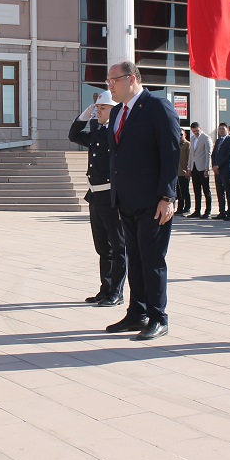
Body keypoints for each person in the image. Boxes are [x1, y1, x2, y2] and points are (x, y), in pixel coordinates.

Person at [104, 61, 181, 340]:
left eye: (114, 79)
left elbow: (171, 153)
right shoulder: (116, 113)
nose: (109, 85)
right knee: (134, 258)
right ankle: (137, 312)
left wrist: (167, 196)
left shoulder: (157, 107)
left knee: (152, 259)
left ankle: (159, 316)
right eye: (108, 80)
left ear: (133, 78)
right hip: (125, 200)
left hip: (153, 201)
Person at [69, 92, 126, 307]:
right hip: (96, 195)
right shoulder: (97, 131)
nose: (98, 111)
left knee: (118, 247)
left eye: (103, 108)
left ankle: (117, 292)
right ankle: (106, 288)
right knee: (103, 247)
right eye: (97, 107)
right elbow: (73, 135)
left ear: (114, 110)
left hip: (111, 196)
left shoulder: (116, 132)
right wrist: (87, 112)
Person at [211, 123, 230, 221]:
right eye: (220, 129)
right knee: (219, 192)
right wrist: (214, 165)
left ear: (228, 130)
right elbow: (213, 155)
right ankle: (222, 211)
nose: (221, 130)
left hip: (226, 170)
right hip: (217, 171)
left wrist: (219, 165)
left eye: (223, 129)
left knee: (229, 192)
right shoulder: (218, 141)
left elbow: (229, 156)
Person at [187, 122, 213, 218]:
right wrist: (189, 167)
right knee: (196, 190)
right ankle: (197, 210)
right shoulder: (192, 138)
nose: (196, 133)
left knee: (206, 190)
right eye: (194, 131)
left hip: (203, 168)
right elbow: (191, 155)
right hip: (194, 168)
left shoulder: (206, 138)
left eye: (197, 130)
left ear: (200, 128)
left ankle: (208, 211)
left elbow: (208, 154)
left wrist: (207, 168)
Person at [176, 129, 191, 215]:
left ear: (185, 134)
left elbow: (189, 158)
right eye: (178, 134)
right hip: (176, 172)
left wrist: (188, 170)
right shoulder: (176, 144)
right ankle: (180, 208)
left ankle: (187, 208)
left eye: (181, 134)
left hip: (184, 171)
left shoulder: (187, 144)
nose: (180, 136)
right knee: (179, 191)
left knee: (185, 191)